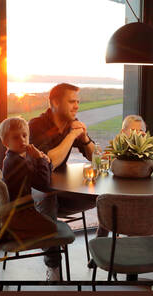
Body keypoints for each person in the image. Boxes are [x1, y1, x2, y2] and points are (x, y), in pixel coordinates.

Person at [28, 83, 108, 273]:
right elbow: (49, 163)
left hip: (63, 193)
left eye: (78, 101)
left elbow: (94, 158)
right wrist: (72, 136)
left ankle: (100, 248)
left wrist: (85, 138)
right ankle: (53, 267)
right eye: (72, 101)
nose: (77, 106)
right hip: (35, 193)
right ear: (54, 102)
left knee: (106, 197)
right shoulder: (36, 125)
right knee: (48, 197)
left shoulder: (72, 124)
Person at [0, 117, 59, 281]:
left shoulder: (16, 158)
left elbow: (38, 173)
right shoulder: (16, 162)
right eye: (16, 137)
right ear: (6, 142)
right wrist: (40, 159)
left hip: (20, 210)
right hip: (20, 215)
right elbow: (43, 184)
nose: (22, 140)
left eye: (25, 135)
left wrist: (43, 160)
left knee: (48, 208)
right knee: (53, 228)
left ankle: (51, 260)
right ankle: (20, 232)